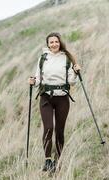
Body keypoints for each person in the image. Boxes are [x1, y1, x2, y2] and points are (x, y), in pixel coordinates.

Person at [28, 32, 81, 172]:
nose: (54, 44)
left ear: (60, 42)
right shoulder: (43, 58)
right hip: (46, 97)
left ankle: (59, 159)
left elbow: (72, 82)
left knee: (59, 130)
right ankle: (47, 161)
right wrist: (33, 82)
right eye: (51, 42)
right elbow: (38, 77)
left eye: (56, 41)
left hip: (62, 98)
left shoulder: (67, 58)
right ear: (48, 44)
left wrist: (76, 71)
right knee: (49, 127)